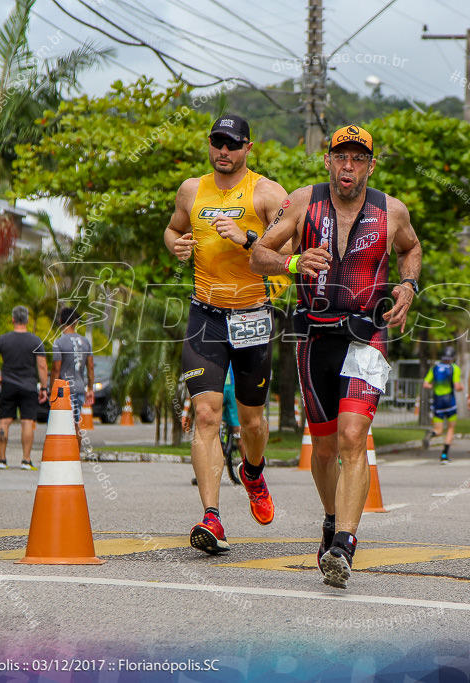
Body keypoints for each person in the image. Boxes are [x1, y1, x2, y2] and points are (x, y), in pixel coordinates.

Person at [250, 123, 422, 589]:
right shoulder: (303, 203)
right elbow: (258, 255)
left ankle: (344, 542)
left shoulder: (392, 211)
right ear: (327, 160)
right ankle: (331, 519)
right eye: (340, 157)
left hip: (366, 335)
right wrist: (292, 262)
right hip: (314, 337)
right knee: (324, 449)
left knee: (352, 436)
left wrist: (408, 284)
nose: (348, 166)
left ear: (370, 164)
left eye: (358, 158)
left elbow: (411, 249)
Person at [164, 114, 289, 555]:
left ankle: (253, 472)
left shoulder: (269, 193)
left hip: (253, 314)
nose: (223, 151)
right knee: (206, 414)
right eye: (217, 142)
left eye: (232, 144)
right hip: (206, 315)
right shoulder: (191, 189)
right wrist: (174, 244)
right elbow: (174, 226)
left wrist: (248, 237)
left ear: (248, 148)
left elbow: (290, 255)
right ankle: (212, 517)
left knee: (252, 421)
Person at [0, 306, 48, 470]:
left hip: (8, 385)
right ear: (27, 320)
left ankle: (2, 459)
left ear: (13, 319)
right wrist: (44, 388)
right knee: (27, 421)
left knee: (4, 421)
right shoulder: (35, 341)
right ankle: (26, 460)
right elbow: (42, 366)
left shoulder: (3, 340)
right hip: (28, 386)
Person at [50, 307, 94, 451]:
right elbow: (91, 367)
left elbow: (56, 369)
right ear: (75, 322)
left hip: (64, 389)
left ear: (61, 321)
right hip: (80, 388)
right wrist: (90, 388)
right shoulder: (85, 342)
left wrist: (52, 390)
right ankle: (74, 455)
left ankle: (68, 455)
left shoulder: (59, 342)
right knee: (75, 423)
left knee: (65, 425)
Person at [422, 347, 464, 463]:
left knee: (439, 430)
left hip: (437, 402)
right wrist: (461, 387)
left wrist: (434, 387)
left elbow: (426, 384)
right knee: (450, 428)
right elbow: (456, 386)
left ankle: (431, 433)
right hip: (450, 402)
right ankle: (444, 455)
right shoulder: (454, 368)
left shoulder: (435, 368)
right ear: (452, 358)